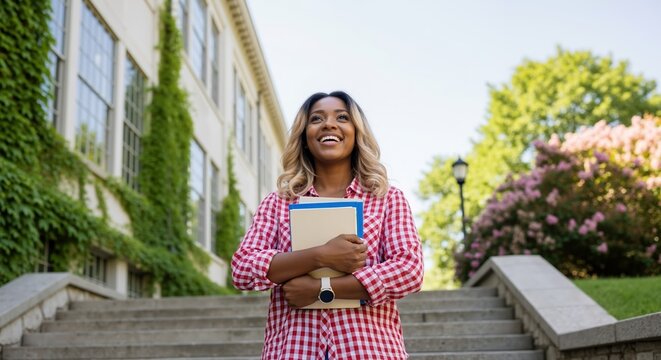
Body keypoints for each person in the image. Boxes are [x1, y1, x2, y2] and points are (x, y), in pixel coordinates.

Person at [232, 91, 424, 359]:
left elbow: (409, 270)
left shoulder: (387, 198)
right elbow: (243, 268)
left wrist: (321, 290)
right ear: (305, 137)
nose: (329, 124)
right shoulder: (278, 203)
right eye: (316, 119)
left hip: (369, 349)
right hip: (294, 349)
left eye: (342, 117)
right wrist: (320, 255)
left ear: (356, 133)